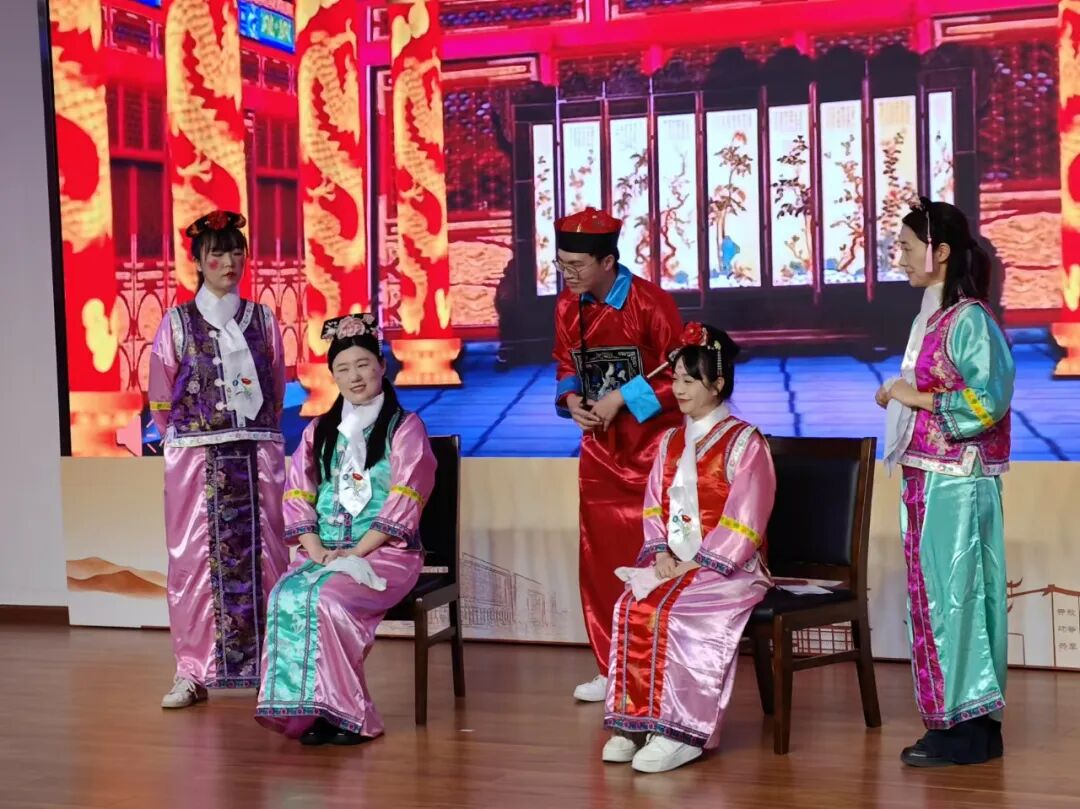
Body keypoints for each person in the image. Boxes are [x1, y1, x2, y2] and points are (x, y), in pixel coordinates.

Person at [875, 198, 1014, 767]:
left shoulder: (970, 319)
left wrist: (916, 397)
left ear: (941, 252)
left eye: (908, 247)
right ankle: (953, 724)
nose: (901, 257)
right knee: (934, 601)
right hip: (928, 478)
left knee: (958, 599)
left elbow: (988, 399)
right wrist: (899, 396)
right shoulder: (931, 317)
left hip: (958, 480)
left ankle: (968, 729)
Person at [601, 323, 774, 773]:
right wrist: (660, 552)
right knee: (630, 606)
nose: (678, 389)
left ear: (717, 384)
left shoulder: (745, 442)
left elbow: (745, 522)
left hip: (730, 569)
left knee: (679, 612)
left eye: (690, 380)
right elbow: (653, 505)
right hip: (674, 562)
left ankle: (682, 731)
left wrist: (695, 563)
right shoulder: (670, 441)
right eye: (675, 378)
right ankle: (634, 724)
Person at [255, 314, 435, 745]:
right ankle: (312, 712)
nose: (355, 376)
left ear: (382, 366)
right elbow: (297, 494)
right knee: (285, 595)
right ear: (333, 376)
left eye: (363, 365)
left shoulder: (405, 428)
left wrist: (356, 553)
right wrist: (316, 549)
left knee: (328, 600)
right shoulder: (319, 431)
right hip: (325, 552)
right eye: (343, 369)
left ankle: (351, 715)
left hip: (385, 555)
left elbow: (405, 498)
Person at [148, 210, 288, 708]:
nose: (229, 262)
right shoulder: (176, 323)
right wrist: (194, 433)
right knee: (194, 565)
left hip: (256, 457)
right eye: (217, 254)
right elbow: (161, 399)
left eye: (236, 251)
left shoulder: (263, 320)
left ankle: (274, 668)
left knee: (268, 558)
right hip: (196, 462)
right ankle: (192, 670)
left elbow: (276, 387)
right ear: (198, 262)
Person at [552, 207, 684, 702]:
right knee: (600, 558)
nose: (567, 274)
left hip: (652, 451)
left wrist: (621, 399)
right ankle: (612, 666)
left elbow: (681, 379)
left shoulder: (651, 303)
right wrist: (572, 400)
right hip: (600, 451)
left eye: (577, 265)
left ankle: (658, 669)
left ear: (608, 261)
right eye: (561, 264)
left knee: (654, 557)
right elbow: (564, 361)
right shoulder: (567, 306)